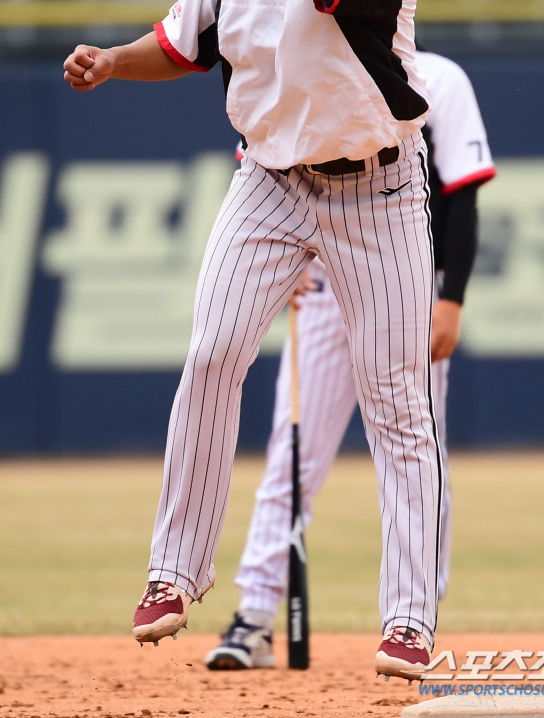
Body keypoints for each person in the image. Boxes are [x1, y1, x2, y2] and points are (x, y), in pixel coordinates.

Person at [64, 0, 440, 680]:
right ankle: (172, 572)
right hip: (269, 184)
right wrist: (114, 60)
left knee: (396, 404)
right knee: (212, 352)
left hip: (377, 192)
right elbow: (186, 44)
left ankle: (409, 619)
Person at [204, 46, 496, 671]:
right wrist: (278, 271)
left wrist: (452, 298)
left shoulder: (441, 78)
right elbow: (261, 180)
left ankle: (415, 617)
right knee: (293, 451)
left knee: (418, 447)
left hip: (404, 285)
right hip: (320, 290)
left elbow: (462, 194)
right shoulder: (302, 63)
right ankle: (253, 616)